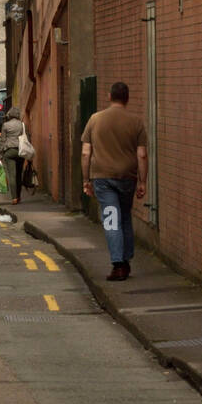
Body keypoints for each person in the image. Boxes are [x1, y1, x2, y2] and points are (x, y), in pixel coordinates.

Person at [81, 81, 147, 281]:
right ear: (127, 98)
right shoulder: (136, 122)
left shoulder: (95, 119)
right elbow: (142, 155)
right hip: (128, 177)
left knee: (111, 220)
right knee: (125, 216)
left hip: (102, 179)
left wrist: (86, 179)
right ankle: (126, 260)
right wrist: (142, 182)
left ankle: (118, 265)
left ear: (109, 96)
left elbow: (85, 153)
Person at [0, 104, 25, 205]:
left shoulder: (5, 125)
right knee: (19, 175)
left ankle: (14, 198)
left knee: (12, 175)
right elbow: (26, 137)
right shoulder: (22, 125)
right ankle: (19, 196)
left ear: (9, 115)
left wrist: (0, 153)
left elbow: (3, 141)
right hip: (21, 151)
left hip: (9, 151)